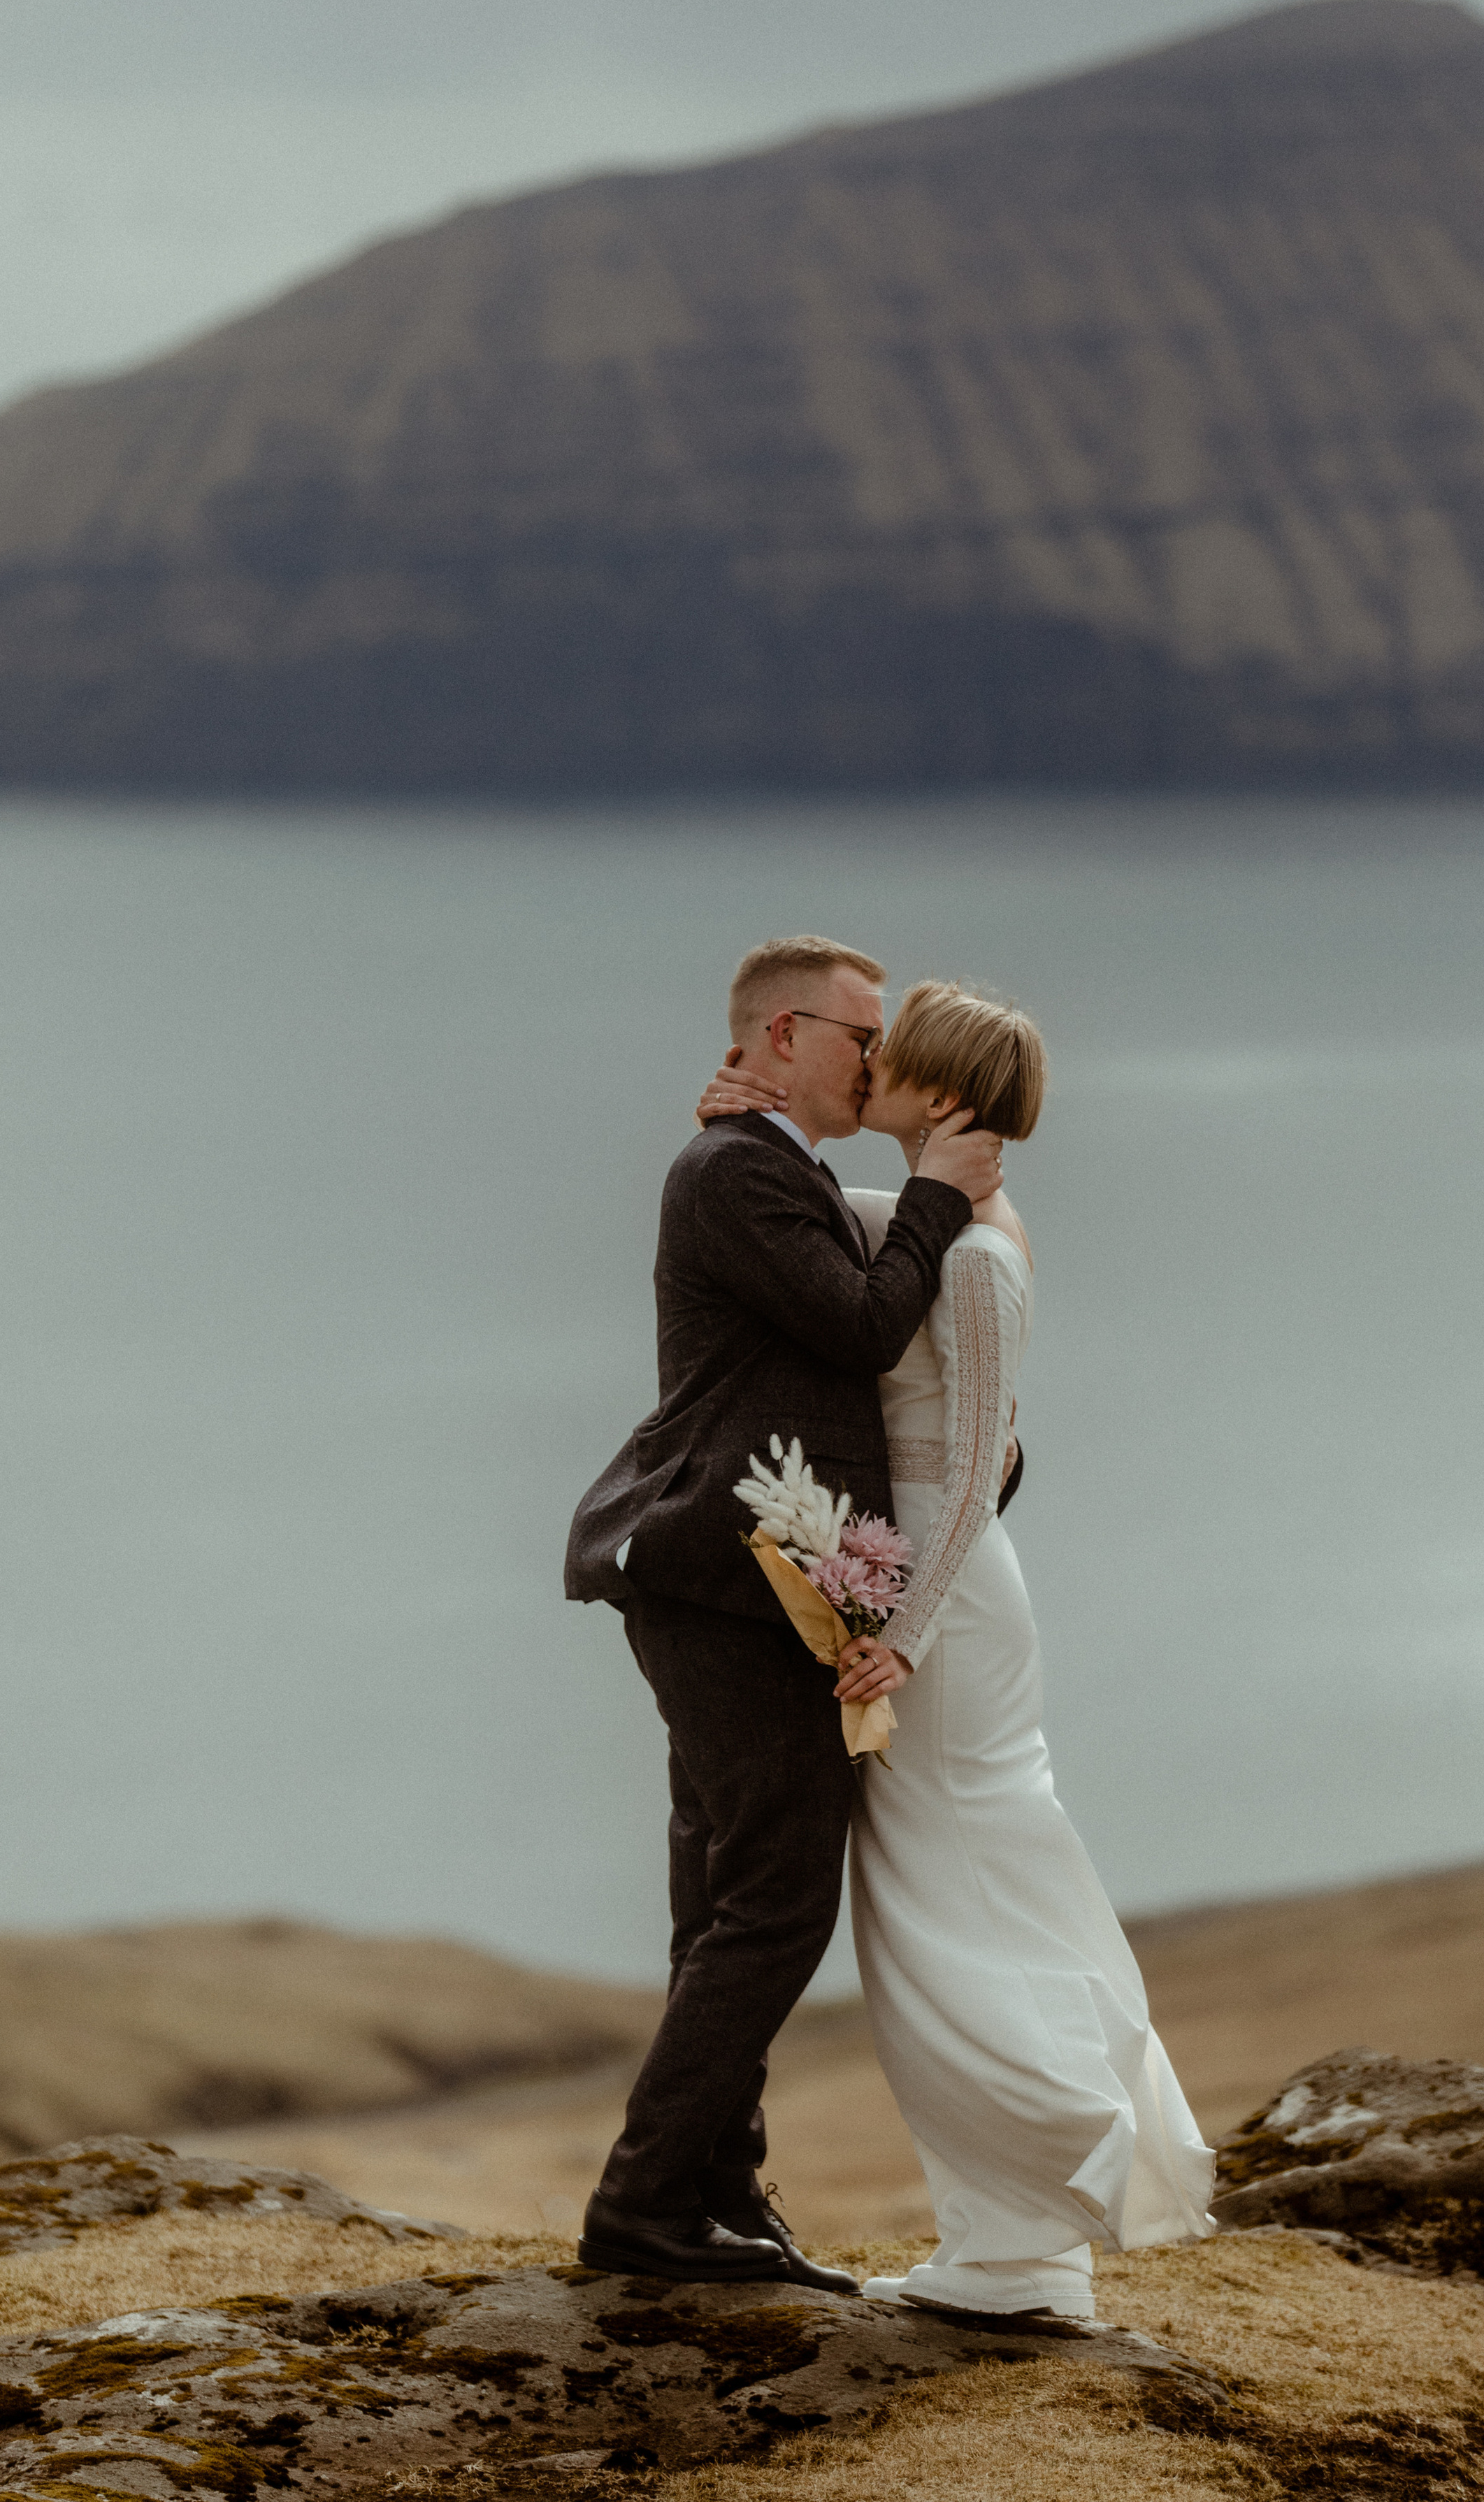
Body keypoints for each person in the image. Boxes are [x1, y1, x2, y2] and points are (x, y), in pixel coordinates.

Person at [698, 982, 1216, 2321]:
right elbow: (813, 1222)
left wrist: (907, 1635)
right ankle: (1005, 2251)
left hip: (950, 1604)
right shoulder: (932, 1220)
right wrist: (735, 1124)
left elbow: (982, 1451)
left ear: (939, 1095)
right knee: (930, 1895)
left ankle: (1047, 2194)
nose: (865, 1066)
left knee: (948, 1895)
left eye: (890, 1054)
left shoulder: (978, 1254)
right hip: (924, 1590)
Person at [564, 936, 1004, 2289]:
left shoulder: (774, 1163)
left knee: (726, 1900)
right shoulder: (736, 1169)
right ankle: (646, 2209)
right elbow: (866, 1324)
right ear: (776, 1039)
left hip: (745, 1585)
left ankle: (714, 2197)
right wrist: (937, 1190)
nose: (881, 1058)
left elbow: (863, 1355)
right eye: (861, 1034)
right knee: (773, 1903)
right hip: (718, 1580)